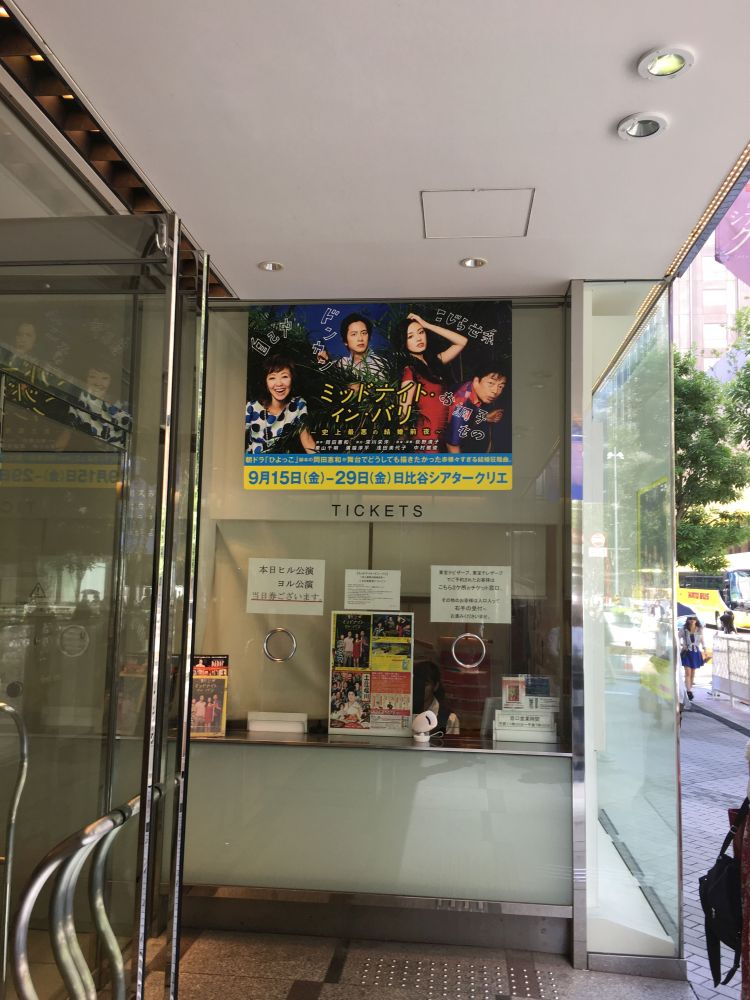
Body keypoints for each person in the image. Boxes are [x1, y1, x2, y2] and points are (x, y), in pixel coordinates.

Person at [399, 312, 468, 448]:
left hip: (442, 436)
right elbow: (403, 410)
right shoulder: (410, 371)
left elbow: (461, 342)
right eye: (410, 336)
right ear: (403, 342)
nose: (419, 338)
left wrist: (427, 325)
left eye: (421, 332)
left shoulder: (434, 362)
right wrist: (402, 438)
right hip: (426, 439)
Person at [245, 355, 316, 454]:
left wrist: (321, 462)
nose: (279, 384)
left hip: (282, 462)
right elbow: (234, 439)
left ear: (292, 379)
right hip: (254, 462)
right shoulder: (251, 407)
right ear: (266, 382)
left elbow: (307, 441)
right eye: (272, 378)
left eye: (284, 377)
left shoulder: (298, 405)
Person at [445, 363, 509, 454]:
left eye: (500, 386)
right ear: (476, 381)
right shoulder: (462, 406)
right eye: (491, 383)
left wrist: (485, 417)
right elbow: (452, 446)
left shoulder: (469, 386)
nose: (495, 391)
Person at [320, 312, 388, 382]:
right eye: (354, 334)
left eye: (364, 333)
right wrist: (323, 363)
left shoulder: (382, 364)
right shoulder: (339, 365)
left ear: (369, 337)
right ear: (345, 341)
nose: (360, 338)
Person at [411, 659, 460, 735]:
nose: (420, 688)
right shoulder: (407, 712)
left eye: (425, 684)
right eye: (417, 683)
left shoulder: (449, 718)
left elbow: (451, 742)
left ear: (435, 686)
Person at [680, 615, 705, 701]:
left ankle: (689, 689)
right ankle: (688, 691)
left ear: (696, 620)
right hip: (686, 652)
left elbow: (702, 639)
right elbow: (677, 637)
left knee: (693, 672)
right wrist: (682, 645)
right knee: (687, 672)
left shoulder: (699, 629)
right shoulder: (684, 629)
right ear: (687, 620)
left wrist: (704, 647)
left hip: (695, 652)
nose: (692, 620)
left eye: (694, 619)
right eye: (690, 619)